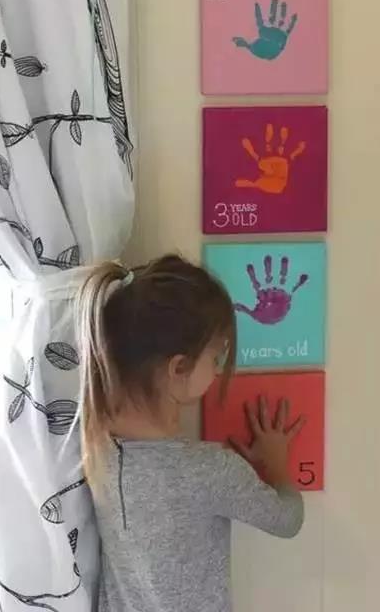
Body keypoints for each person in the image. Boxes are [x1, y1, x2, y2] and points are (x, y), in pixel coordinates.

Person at [74, 253, 305, 612]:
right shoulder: (210, 470)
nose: (217, 371)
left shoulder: (95, 445)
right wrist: (276, 464)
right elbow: (287, 520)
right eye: (216, 358)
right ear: (179, 367)